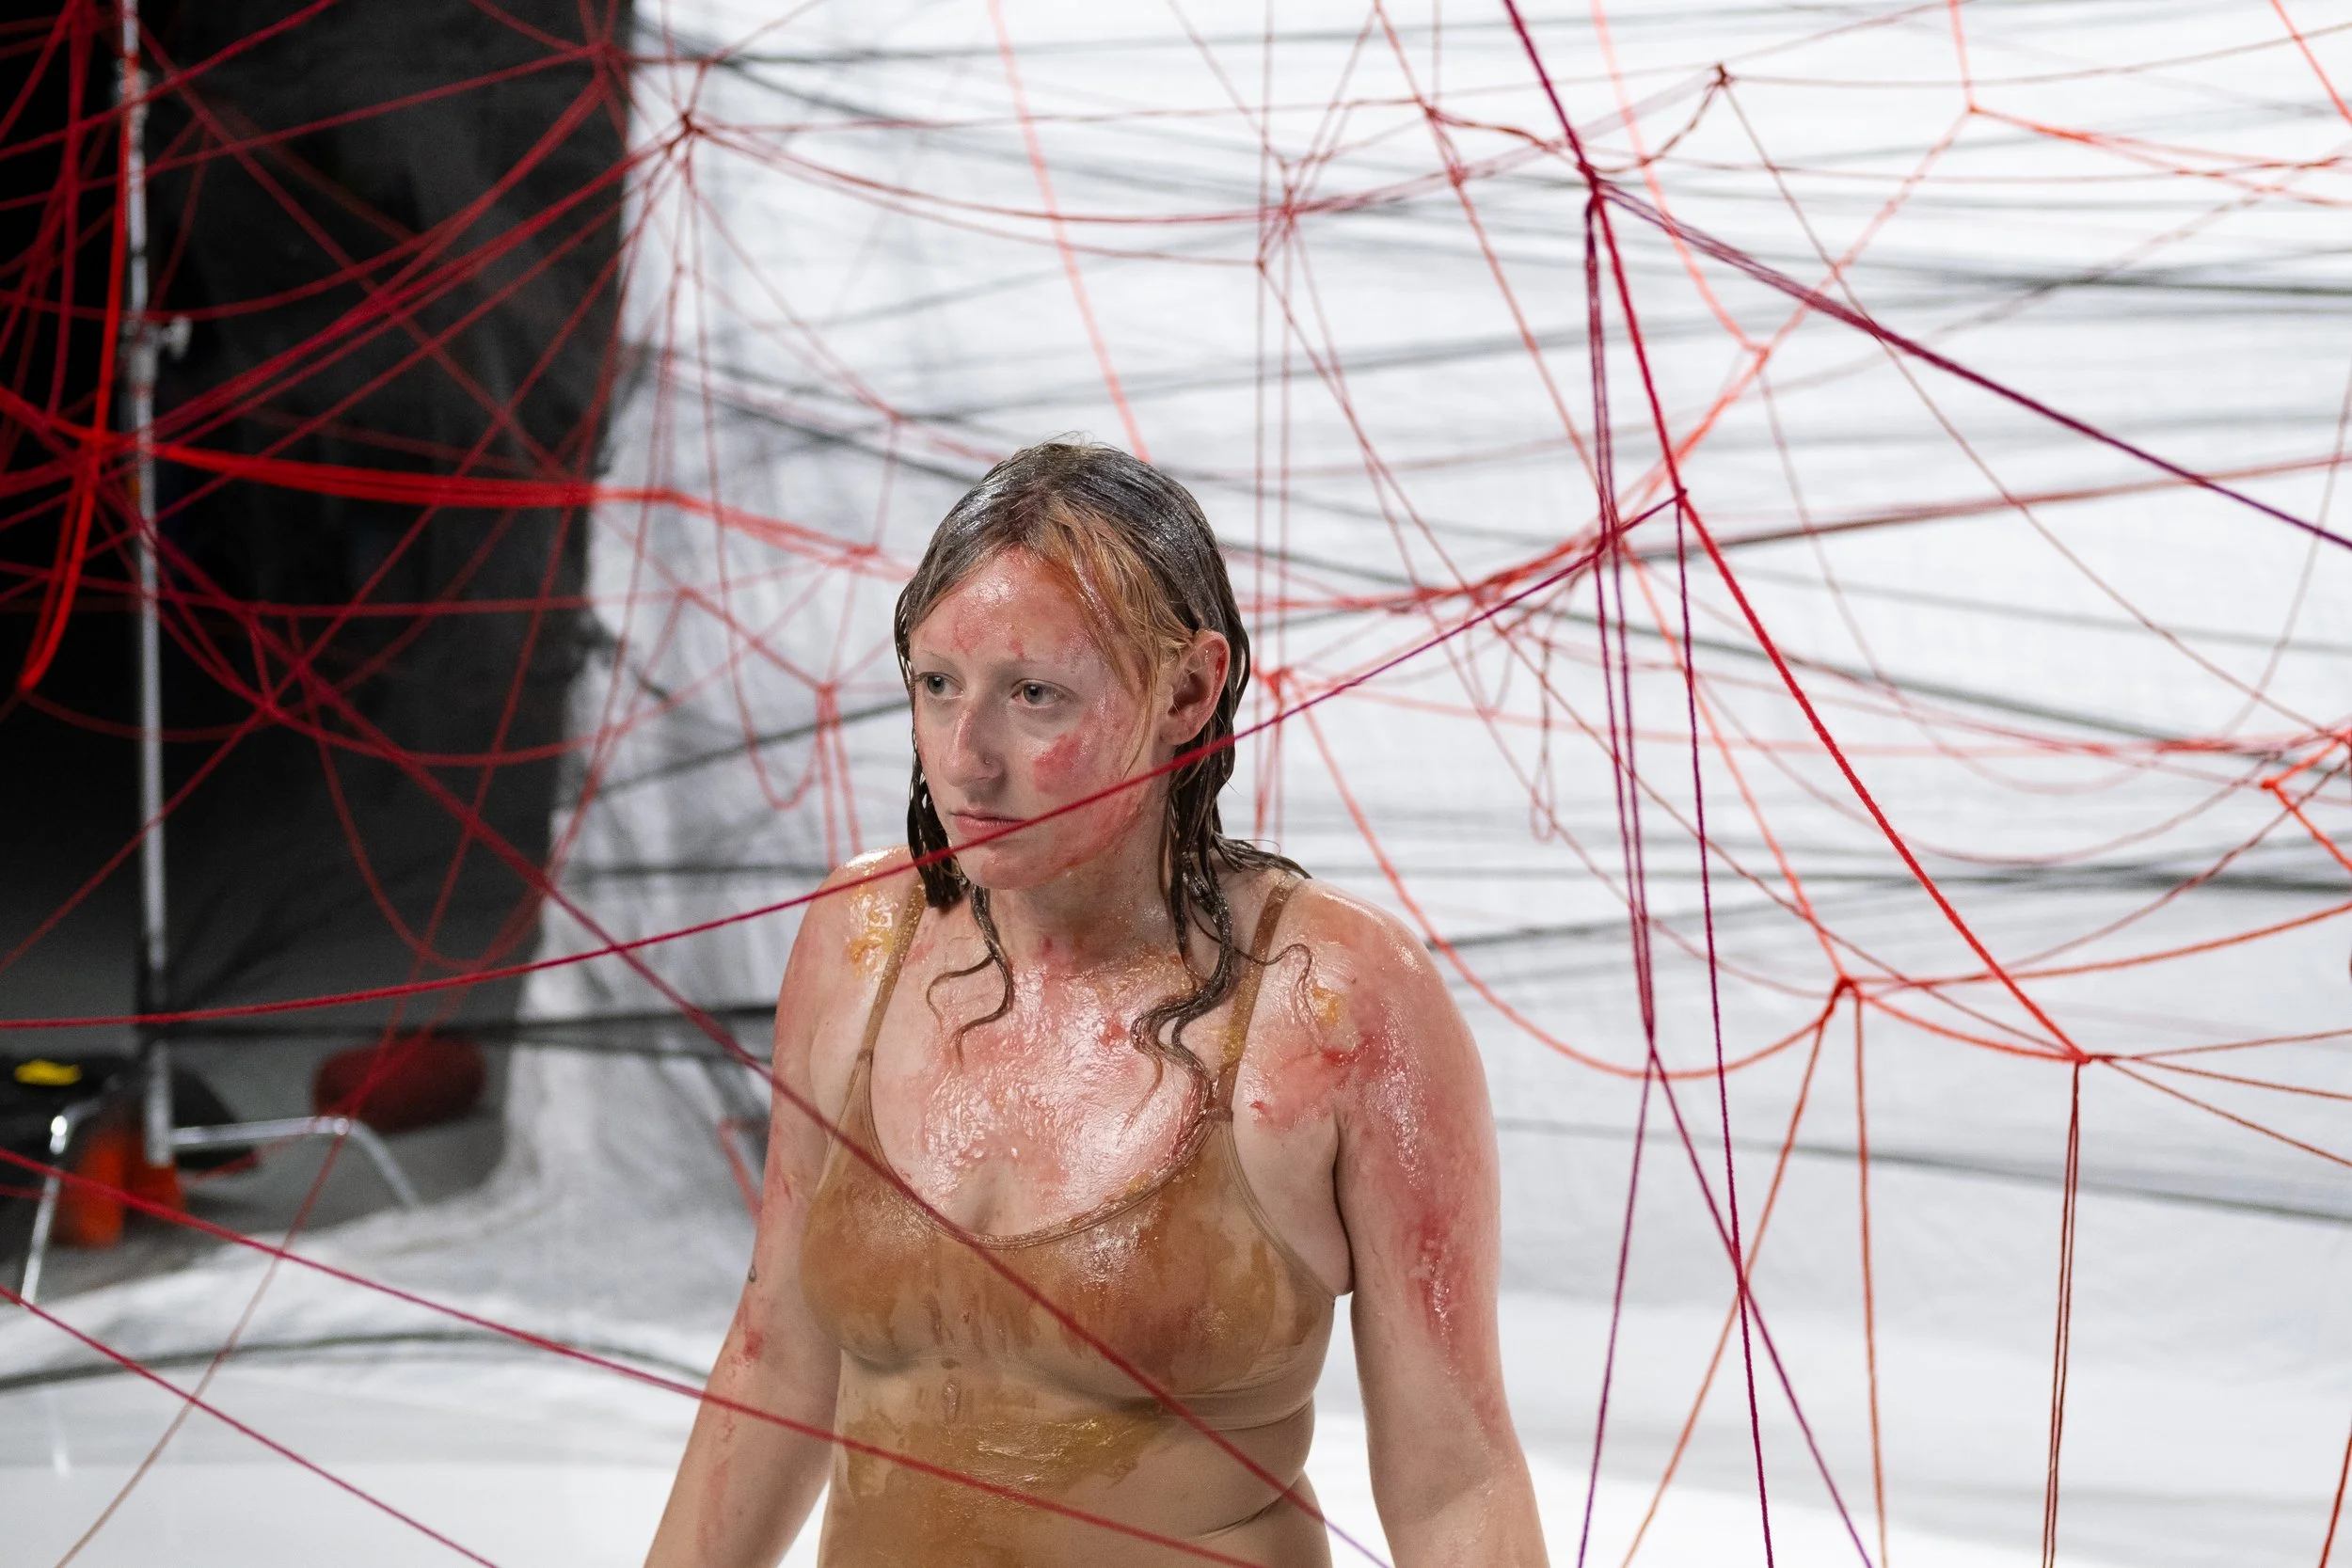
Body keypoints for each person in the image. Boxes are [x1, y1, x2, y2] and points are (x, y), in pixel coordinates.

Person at [646, 441, 1547, 1566]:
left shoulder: (1332, 1000)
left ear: (1188, 690)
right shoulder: (859, 940)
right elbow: (775, 1359)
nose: (967, 759)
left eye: (1034, 694)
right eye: (936, 683)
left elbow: (1453, 1474)